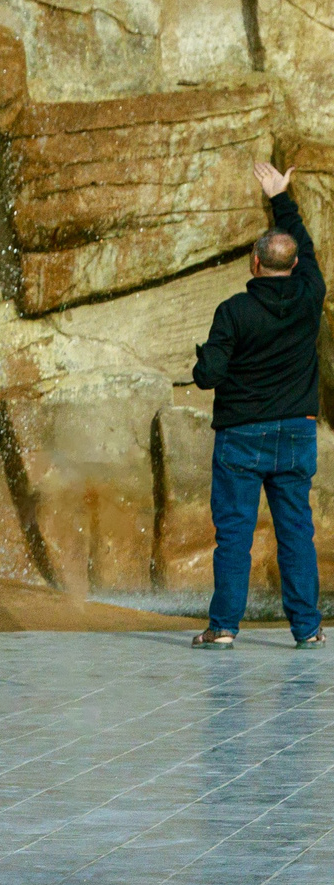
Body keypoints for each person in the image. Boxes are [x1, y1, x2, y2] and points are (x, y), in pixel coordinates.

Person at [190, 163, 325, 648]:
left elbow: (208, 377)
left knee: (234, 537)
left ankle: (224, 627)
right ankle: (308, 631)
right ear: (292, 267)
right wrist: (281, 198)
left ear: (254, 263)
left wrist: (204, 359)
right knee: (296, 535)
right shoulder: (311, 296)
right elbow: (305, 250)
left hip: (241, 437)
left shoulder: (233, 311)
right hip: (295, 434)